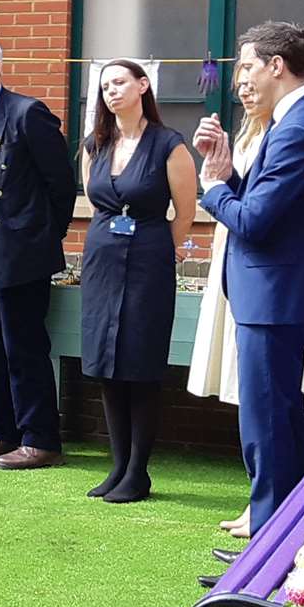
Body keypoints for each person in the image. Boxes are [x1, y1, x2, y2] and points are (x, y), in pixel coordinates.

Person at [194, 21, 304, 537]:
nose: (239, 79)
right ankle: (279, 517)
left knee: (268, 416)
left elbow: (254, 221)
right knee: (275, 410)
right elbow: (260, 203)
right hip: (273, 290)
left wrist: (212, 191)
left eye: (247, 65)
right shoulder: (291, 121)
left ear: (277, 65)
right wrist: (227, 171)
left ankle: (272, 531)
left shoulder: (300, 127)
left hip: (276, 293)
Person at [0, 34, 75, 470]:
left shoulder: (26, 113)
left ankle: (40, 438)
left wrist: (38, 238)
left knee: (22, 346)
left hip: (18, 254)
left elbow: (61, 185)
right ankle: (0, 431)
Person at [79, 60, 196, 503]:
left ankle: (138, 472)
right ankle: (117, 466)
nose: (111, 92)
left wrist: (153, 247)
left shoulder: (169, 144)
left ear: (143, 86)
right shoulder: (96, 144)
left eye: (120, 83)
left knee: (139, 363)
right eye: (105, 85)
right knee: (108, 364)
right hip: (102, 263)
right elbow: (95, 201)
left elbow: (185, 213)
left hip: (148, 263)